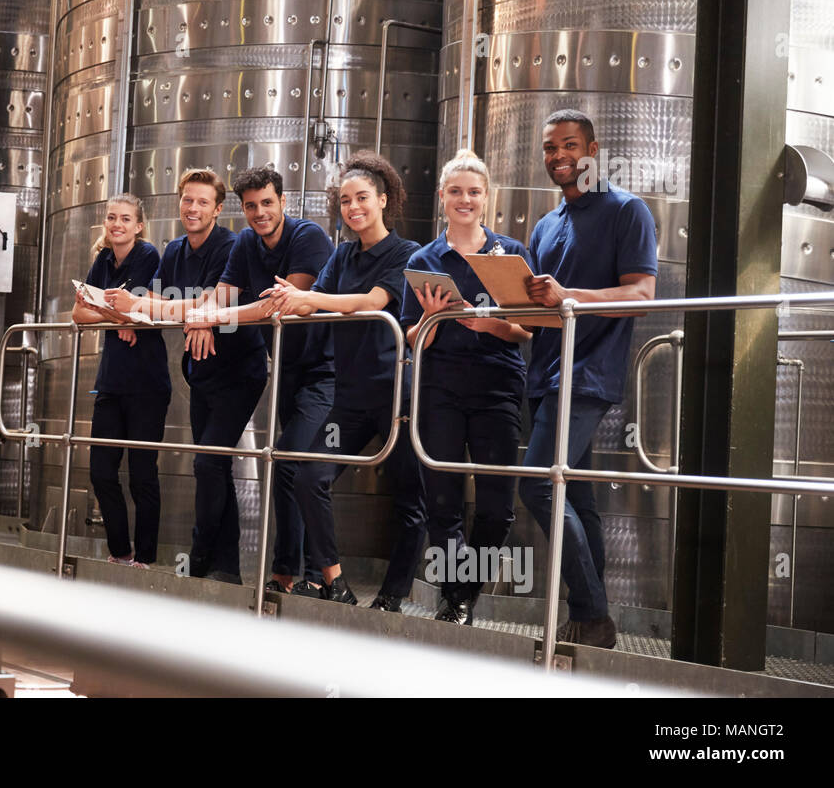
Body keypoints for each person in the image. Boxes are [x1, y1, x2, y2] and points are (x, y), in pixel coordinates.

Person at [519, 109, 658, 649]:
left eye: (569, 145)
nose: (558, 156)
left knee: (536, 484)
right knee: (577, 495)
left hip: (588, 374)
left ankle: (592, 614)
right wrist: (484, 307)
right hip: (544, 375)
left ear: (593, 149)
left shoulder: (628, 211)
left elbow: (642, 296)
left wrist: (569, 298)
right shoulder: (546, 225)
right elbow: (539, 311)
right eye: (550, 148)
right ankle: (590, 624)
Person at [262, 151, 425, 607]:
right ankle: (335, 581)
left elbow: (372, 302)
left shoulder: (407, 253)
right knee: (309, 476)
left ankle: (392, 599)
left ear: (383, 200)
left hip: (395, 396)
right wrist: (288, 300)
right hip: (350, 399)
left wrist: (311, 299)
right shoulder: (342, 256)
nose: (354, 208)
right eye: (346, 200)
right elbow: (314, 298)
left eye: (363, 198)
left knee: (411, 499)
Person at [178, 167, 335, 596]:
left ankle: (319, 577)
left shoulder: (309, 237)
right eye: (251, 206)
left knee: (296, 467)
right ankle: (286, 575)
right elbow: (226, 292)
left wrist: (215, 315)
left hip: (325, 372)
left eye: (267, 203)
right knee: (286, 469)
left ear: (283, 202)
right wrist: (200, 317)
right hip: (286, 369)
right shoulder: (247, 242)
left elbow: (280, 306)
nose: (259, 213)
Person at [106, 170, 267, 585]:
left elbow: (213, 302)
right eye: (187, 201)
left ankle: (198, 559)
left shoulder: (230, 245)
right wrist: (139, 308)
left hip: (239, 371)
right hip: (200, 372)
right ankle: (226, 568)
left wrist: (191, 313)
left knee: (207, 463)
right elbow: (165, 301)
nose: (192, 209)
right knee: (215, 467)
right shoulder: (175, 249)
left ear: (217, 209)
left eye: (201, 202)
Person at [401, 149, 533, 625]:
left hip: (497, 387)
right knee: (443, 500)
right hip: (439, 388)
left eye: (473, 192)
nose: (465, 199)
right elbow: (409, 336)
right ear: (442, 197)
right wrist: (434, 319)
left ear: (486, 198)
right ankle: (456, 602)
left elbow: (527, 330)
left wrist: (492, 326)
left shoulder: (510, 254)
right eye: (455, 191)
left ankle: (463, 594)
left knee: (498, 509)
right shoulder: (423, 260)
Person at [71, 194, 171, 569]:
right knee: (100, 471)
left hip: (146, 384)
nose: (117, 224)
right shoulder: (103, 260)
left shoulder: (147, 257)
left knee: (142, 476)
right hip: (111, 383)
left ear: (139, 225)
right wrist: (117, 318)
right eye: (112, 218)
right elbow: (80, 312)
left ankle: (144, 559)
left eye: (126, 219)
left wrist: (117, 313)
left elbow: (139, 308)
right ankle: (120, 552)